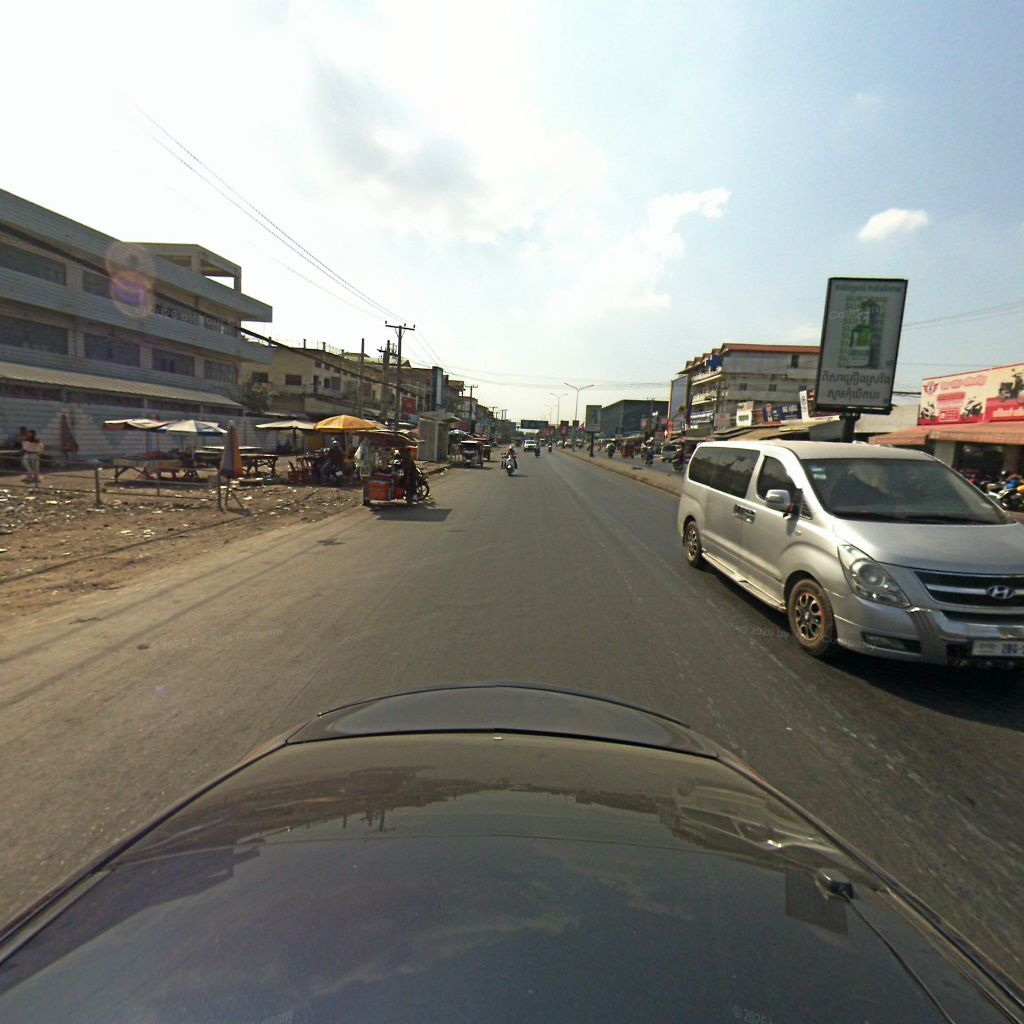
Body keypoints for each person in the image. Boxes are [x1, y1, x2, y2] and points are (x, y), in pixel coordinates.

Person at [354, 436, 374, 505]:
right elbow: (359, 456)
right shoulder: (367, 447)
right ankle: (366, 499)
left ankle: (366, 499)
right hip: (365, 467)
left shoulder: (364, 447)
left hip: (365, 467)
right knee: (366, 484)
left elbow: (358, 457)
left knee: (365, 484)